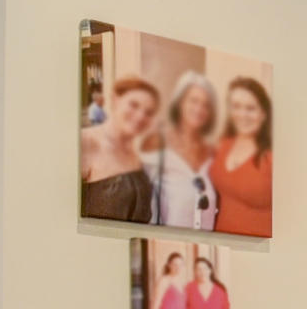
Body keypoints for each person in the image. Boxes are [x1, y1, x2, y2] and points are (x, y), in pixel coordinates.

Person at [81, 77, 160, 221]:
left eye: (148, 112)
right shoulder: (87, 142)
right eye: (134, 105)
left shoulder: (136, 153)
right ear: (115, 100)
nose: (140, 116)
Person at [153, 72, 221, 229]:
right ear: (180, 102)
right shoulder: (159, 143)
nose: (199, 109)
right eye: (194, 101)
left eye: (206, 105)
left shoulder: (213, 152)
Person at [210, 76, 274, 237]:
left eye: (250, 108)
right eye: (236, 106)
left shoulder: (272, 156)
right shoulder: (223, 144)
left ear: (263, 114)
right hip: (222, 246)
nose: (242, 114)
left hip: (260, 250)